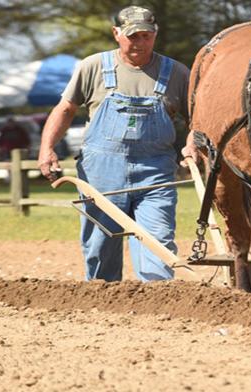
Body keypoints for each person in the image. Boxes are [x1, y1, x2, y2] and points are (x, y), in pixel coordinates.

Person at [39, 6, 192, 282]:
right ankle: (104, 305)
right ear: (116, 34)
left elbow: (198, 119)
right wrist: (46, 148)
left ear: (155, 35)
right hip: (102, 172)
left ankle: (158, 304)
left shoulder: (177, 72)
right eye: (133, 36)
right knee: (100, 246)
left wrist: (193, 143)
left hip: (155, 171)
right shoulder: (94, 67)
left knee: (157, 242)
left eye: (146, 36)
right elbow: (65, 109)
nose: (140, 43)